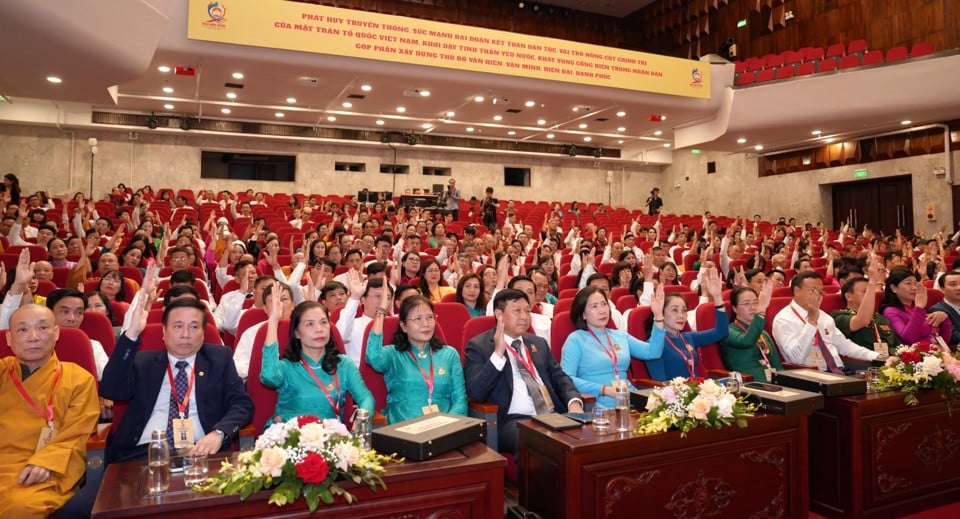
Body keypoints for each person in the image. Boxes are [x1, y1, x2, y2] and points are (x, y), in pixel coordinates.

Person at [100, 295, 253, 463]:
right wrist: (132, 334)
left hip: (202, 452)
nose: (185, 334)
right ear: (164, 332)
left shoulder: (219, 359)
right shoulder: (143, 362)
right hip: (144, 453)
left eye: (194, 327)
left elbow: (242, 404)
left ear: (204, 334)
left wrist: (219, 433)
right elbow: (111, 389)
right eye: (178, 326)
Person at [0, 305, 99, 518]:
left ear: (56, 333)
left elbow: (78, 434)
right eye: (23, 330)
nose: (33, 337)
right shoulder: (1, 372)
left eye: (42, 328)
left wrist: (46, 461)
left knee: (20, 507)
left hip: (43, 468)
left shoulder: (78, 379)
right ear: (9, 338)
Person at [464, 289, 582, 460]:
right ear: (499, 314)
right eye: (517, 310)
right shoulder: (479, 346)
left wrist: (574, 402)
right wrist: (497, 354)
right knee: (538, 445)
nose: (524, 316)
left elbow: (560, 377)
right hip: (514, 421)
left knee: (588, 439)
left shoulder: (538, 343)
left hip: (553, 415)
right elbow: (476, 392)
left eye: (527, 310)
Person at [260, 297, 374, 425]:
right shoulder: (287, 366)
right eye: (310, 324)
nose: (319, 329)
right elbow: (269, 377)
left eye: (324, 322)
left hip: (330, 438)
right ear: (297, 333)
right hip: (289, 438)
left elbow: (366, 398)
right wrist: (274, 321)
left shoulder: (343, 364)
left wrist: (361, 420)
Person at [366, 292, 467, 423]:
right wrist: (381, 312)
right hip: (405, 431)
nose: (426, 324)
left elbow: (460, 399)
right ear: (403, 326)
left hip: (445, 431)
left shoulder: (449, 354)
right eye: (418, 319)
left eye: (430, 317)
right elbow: (373, 357)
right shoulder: (393, 354)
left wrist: (447, 426)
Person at [561, 284, 666, 408]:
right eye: (594, 306)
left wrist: (658, 316)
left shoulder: (620, 336)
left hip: (629, 401)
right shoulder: (576, 339)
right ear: (583, 314)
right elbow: (566, 379)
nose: (602, 310)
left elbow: (653, 352)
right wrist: (604, 389)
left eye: (604, 304)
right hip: (597, 403)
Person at [773, 271, 885, 373]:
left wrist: (877, 356)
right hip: (810, 375)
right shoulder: (783, 319)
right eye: (813, 290)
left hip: (839, 370)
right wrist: (811, 322)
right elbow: (796, 358)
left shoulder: (824, 316)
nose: (818, 295)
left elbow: (845, 346)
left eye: (821, 291)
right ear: (797, 291)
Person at [645, 267, 729, 381]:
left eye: (684, 310)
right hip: (675, 395)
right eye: (675, 310)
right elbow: (661, 384)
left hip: (699, 390)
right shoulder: (654, 344)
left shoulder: (688, 337)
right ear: (661, 313)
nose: (681, 315)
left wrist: (718, 298)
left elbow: (721, 332)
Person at [720, 284, 785, 382]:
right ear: (734, 308)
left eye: (756, 303)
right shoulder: (727, 331)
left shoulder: (763, 333)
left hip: (775, 383)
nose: (753, 307)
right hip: (750, 384)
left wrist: (787, 381)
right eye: (746, 304)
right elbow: (746, 341)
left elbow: (777, 365)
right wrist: (761, 311)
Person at [831, 262, 900, 352]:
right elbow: (862, 320)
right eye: (865, 291)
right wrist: (872, 284)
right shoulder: (839, 316)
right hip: (862, 364)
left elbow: (898, 347)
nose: (870, 295)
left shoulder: (879, 318)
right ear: (848, 296)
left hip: (890, 361)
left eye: (870, 292)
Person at [880, 267, 951, 346]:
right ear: (893, 288)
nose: (914, 288)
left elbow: (945, 341)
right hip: (913, 355)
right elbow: (908, 340)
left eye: (915, 283)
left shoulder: (917, 307)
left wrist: (944, 318)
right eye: (908, 283)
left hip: (936, 353)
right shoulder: (890, 311)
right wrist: (919, 308)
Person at [931, 270, 960, 346]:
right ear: (942, 289)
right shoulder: (938, 310)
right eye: (953, 285)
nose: (959, 288)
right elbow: (954, 336)